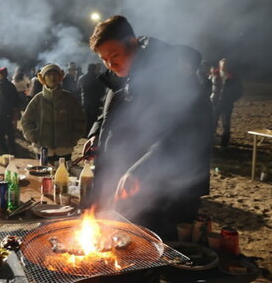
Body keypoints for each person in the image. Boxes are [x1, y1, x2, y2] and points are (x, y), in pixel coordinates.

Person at [84, 15, 213, 239]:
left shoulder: (170, 74)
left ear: (133, 43)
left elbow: (187, 131)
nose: (110, 64)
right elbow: (108, 113)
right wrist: (96, 134)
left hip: (166, 188)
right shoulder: (123, 73)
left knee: (155, 252)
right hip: (129, 183)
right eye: (104, 59)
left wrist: (142, 169)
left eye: (114, 55)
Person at [21, 64, 86, 162]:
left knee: (63, 175)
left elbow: (80, 120)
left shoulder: (69, 99)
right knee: (43, 175)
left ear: (60, 77)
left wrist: (73, 138)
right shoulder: (38, 99)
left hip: (64, 150)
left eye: (55, 74)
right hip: (43, 149)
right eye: (48, 74)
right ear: (42, 78)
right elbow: (26, 121)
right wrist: (34, 136)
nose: (52, 77)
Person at [211, 58, 243, 147]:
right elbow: (207, 87)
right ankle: (211, 142)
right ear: (219, 65)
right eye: (222, 64)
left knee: (226, 125)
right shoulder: (213, 74)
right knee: (213, 123)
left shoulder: (233, 77)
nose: (224, 66)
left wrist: (231, 99)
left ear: (228, 65)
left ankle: (224, 144)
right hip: (215, 103)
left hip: (226, 104)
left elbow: (240, 91)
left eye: (225, 64)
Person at [0, 67, 19, 154]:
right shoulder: (11, 85)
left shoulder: (0, 85)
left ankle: (4, 149)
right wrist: (14, 109)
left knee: (1, 131)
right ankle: (12, 149)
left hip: (3, 111)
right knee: (10, 132)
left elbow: (2, 99)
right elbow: (16, 98)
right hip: (10, 111)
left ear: (0, 75)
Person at [78, 63, 106, 135]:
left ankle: (84, 132)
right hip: (94, 101)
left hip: (84, 101)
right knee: (93, 118)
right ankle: (90, 132)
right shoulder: (97, 78)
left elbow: (78, 89)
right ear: (94, 69)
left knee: (85, 117)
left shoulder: (81, 78)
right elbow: (101, 90)